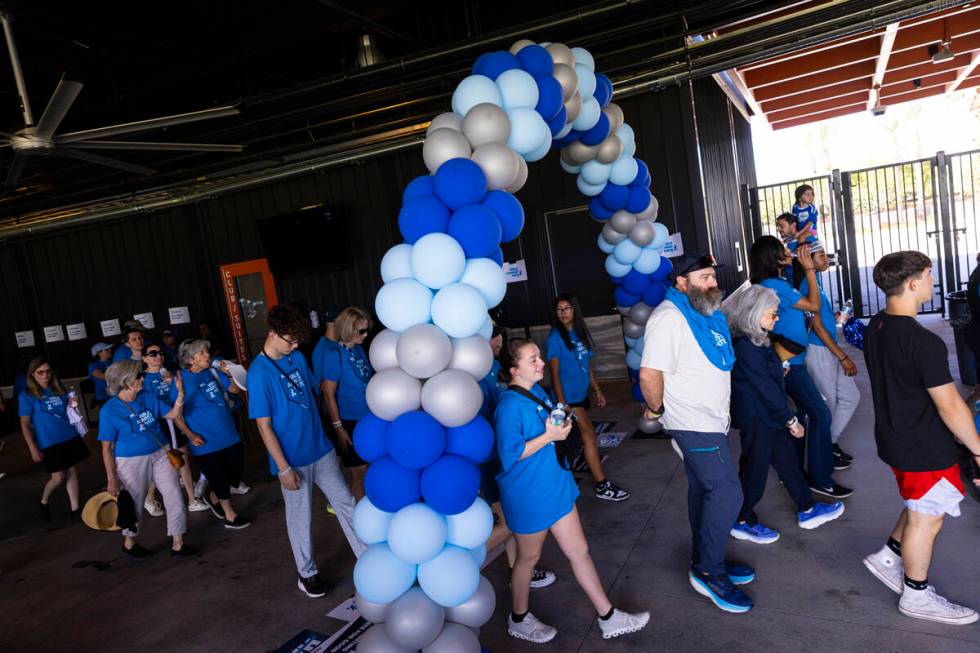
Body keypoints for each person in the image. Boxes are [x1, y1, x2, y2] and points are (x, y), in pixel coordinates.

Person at [496, 338, 649, 642]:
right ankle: (518, 618)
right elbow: (509, 454)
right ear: (514, 370)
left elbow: (548, 425)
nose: (541, 363)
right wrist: (550, 435)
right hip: (529, 495)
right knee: (528, 559)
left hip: (556, 486)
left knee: (579, 552)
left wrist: (560, 423)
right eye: (532, 360)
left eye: (538, 357)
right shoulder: (509, 406)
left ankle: (608, 616)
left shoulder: (536, 390)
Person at [861, 251, 980, 624]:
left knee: (920, 503)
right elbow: (950, 407)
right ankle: (916, 594)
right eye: (928, 275)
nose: (932, 281)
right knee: (929, 516)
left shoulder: (876, 325)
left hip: (895, 438)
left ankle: (889, 556)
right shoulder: (922, 341)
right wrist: (978, 450)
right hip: (923, 443)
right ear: (913, 284)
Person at [639, 252, 755, 614]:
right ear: (681, 282)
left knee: (704, 490)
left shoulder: (705, 313)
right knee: (727, 493)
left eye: (712, 277)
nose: (712, 283)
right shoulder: (668, 318)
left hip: (712, 420)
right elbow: (649, 374)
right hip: (692, 423)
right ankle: (709, 570)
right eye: (703, 277)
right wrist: (657, 411)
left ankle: (706, 556)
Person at [247, 304, 365, 598]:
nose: (296, 346)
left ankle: (367, 556)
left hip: (321, 449)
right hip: (292, 459)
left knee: (346, 502)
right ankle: (307, 573)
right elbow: (264, 427)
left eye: (298, 341)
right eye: (290, 340)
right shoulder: (258, 373)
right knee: (300, 517)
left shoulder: (297, 356)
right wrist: (283, 468)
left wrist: (331, 435)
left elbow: (313, 397)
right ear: (273, 334)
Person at [725, 285, 845, 544]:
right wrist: (790, 420)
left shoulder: (755, 337)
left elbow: (765, 378)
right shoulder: (746, 345)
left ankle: (808, 509)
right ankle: (742, 519)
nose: (776, 318)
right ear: (754, 314)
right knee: (754, 470)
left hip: (766, 414)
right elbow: (765, 388)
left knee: (787, 462)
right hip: (758, 416)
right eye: (772, 314)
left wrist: (779, 371)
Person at [750, 236, 851, 499]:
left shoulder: (772, 283)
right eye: (783, 250)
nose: (789, 252)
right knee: (820, 414)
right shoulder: (774, 285)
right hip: (791, 364)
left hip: (788, 360)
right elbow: (813, 306)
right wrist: (807, 269)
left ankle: (793, 473)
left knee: (801, 417)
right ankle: (821, 478)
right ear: (773, 258)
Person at [481, 326, 557, 590]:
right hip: (493, 460)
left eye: (499, 336)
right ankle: (463, 561)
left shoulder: (496, 371)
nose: (498, 341)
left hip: (504, 461)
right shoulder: (479, 377)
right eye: (493, 337)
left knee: (512, 524)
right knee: (512, 523)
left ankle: (518, 575)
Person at [98, 360, 198, 559]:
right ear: (125, 381)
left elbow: (171, 414)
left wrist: (180, 393)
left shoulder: (146, 396)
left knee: (174, 495)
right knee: (134, 502)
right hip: (130, 460)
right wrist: (111, 478)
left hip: (161, 452)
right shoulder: (109, 410)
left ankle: (178, 543)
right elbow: (107, 449)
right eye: (138, 377)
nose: (142, 379)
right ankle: (129, 542)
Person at [546, 293, 629, 502]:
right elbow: (554, 373)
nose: (564, 313)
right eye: (559, 309)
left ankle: (560, 479)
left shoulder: (579, 333)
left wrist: (597, 390)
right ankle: (602, 485)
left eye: (567, 308)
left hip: (580, 395)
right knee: (589, 436)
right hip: (568, 400)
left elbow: (587, 366)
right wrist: (563, 403)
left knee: (569, 440)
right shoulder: (555, 338)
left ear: (575, 310)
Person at [173, 339, 251, 529]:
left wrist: (230, 375)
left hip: (229, 434)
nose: (207, 356)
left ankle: (213, 495)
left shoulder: (213, 371)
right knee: (218, 477)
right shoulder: (180, 380)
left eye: (207, 352)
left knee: (235, 473)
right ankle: (230, 515)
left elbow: (233, 390)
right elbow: (176, 416)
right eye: (202, 353)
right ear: (190, 359)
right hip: (204, 441)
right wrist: (190, 436)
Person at [800, 240, 861, 469]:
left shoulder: (817, 281)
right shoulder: (807, 283)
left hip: (829, 347)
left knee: (850, 397)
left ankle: (830, 442)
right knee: (828, 404)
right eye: (821, 255)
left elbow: (819, 319)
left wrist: (835, 318)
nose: (826, 259)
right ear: (808, 259)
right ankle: (824, 450)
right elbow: (816, 327)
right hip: (819, 350)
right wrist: (842, 357)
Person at [19, 357, 90, 521]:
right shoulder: (27, 395)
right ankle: (44, 501)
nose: (45, 375)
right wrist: (32, 447)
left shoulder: (58, 387)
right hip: (49, 440)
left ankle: (75, 509)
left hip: (68, 434)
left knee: (72, 470)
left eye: (48, 371)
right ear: (32, 374)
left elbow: (68, 412)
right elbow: (25, 424)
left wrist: (73, 404)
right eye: (40, 372)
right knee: (58, 477)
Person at [142, 343, 208, 514]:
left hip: (177, 417)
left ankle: (190, 498)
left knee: (178, 457)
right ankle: (154, 497)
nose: (157, 356)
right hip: (163, 421)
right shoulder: (144, 379)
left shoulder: (170, 373)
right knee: (173, 458)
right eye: (152, 353)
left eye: (160, 353)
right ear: (144, 358)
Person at [316, 307, 373, 500]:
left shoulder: (359, 349)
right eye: (361, 331)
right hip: (349, 422)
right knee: (358, 473)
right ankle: (361, 519)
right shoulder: (333, 355)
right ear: (348, 329)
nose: (366, 335)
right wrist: (339, 428)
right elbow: (328, 395)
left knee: (372, 470)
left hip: (370, 420)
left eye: (366, 330)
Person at [88, 343, 113, 407]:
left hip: (117, 394)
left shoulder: (113, 361)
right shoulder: (93, 365)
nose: (110, 350)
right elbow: (102, 376)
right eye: (107, 349)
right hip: (104, 397)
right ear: (99, 353)